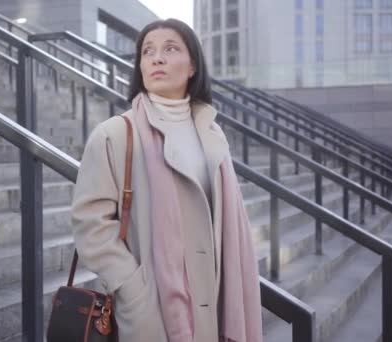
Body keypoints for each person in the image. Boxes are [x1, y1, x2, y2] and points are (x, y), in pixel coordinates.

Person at [71, 18, 262, 342]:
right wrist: (134, 289)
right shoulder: (115, 134)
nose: (156, 58)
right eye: (148, 51)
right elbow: (91, 223)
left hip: (214, 301)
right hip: (153, 311)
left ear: (192, 66)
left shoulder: (212, 134)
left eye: (170, 48)